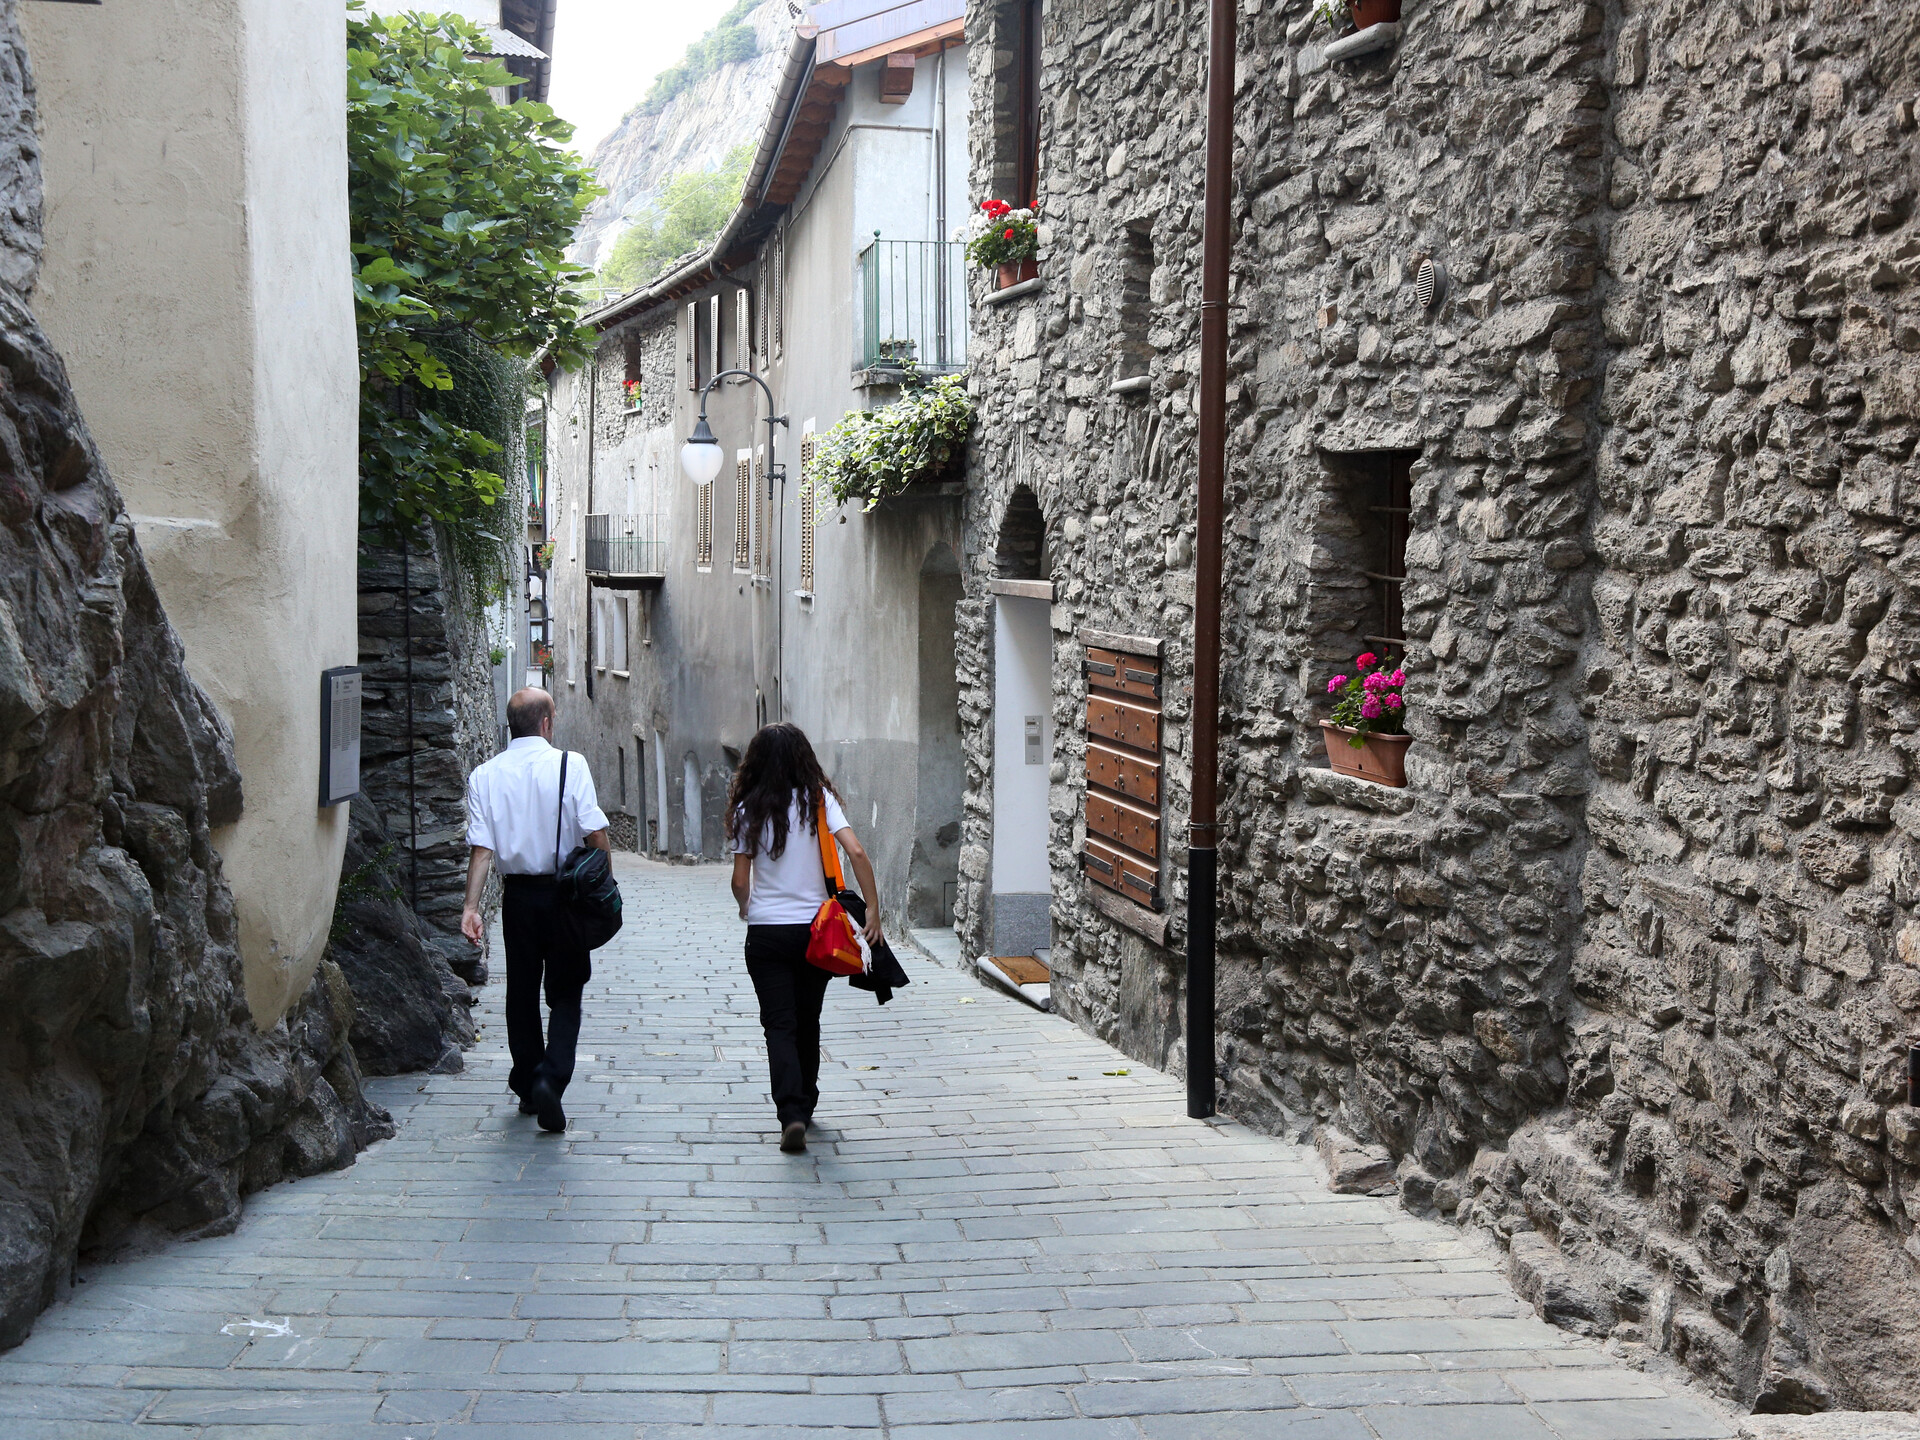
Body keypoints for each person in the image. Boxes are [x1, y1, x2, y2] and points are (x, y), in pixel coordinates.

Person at [727, 723, 883, 1154]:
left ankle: (791, 1113)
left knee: (778, 1024)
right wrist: (872, 909)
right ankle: (807, 1102)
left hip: (767, 934)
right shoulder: (819, 800)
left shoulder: (748, 808)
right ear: (803, 759)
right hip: (816, 933)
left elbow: (741, 880)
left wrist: (747, 906)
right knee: (807, 1018)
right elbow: (856, 853)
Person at [461, 688, 610, 1134]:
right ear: (546, 723)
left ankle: (528, 1083)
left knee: (521, 991)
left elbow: (482, 850)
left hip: (518, 898)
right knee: (567, 990)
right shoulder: (571, 764)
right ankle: (551, 1078)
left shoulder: (484, 776)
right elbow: (594, 832)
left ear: (513, 724)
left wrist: (471, 906)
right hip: (565, 896)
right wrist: (606, 886)